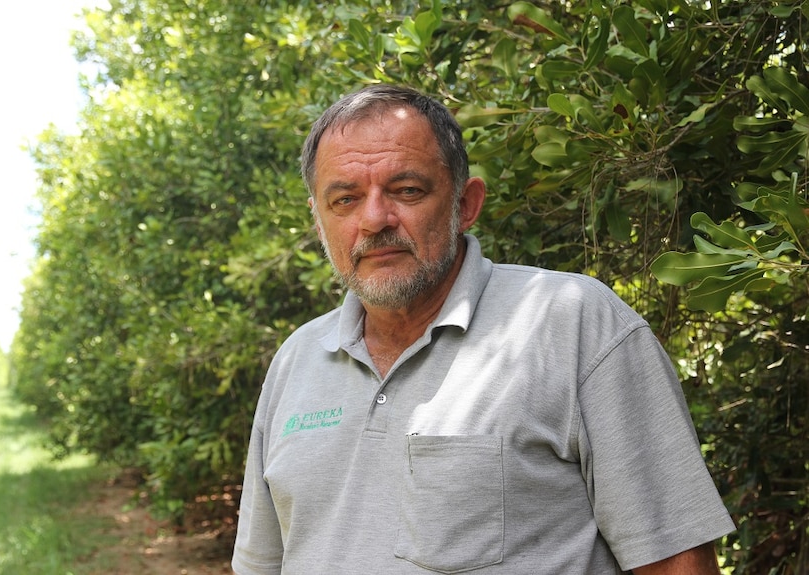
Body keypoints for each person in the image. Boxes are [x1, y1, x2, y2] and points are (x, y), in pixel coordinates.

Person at [231, 84, 735, 574]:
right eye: (344, 199)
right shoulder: (296, 360)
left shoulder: (574, 322)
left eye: (407, 190)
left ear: (465, 205)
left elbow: (675, 563)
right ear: (319, 223)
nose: (374, 219)